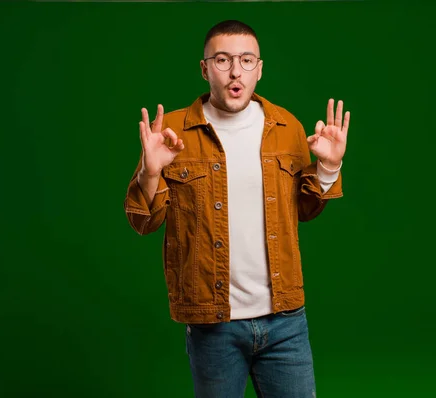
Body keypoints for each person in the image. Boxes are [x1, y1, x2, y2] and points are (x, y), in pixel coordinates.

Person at [124, 19, 349, 398]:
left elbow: (305, 211)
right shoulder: (172, 132)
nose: (235, 71)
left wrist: (328, 167)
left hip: (285, 321)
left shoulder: (287, 127)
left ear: (259, 69)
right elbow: (144, 223)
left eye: (246, 60)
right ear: (205, 68)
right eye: (222, 59)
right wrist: (150, 173)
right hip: (214, 325)